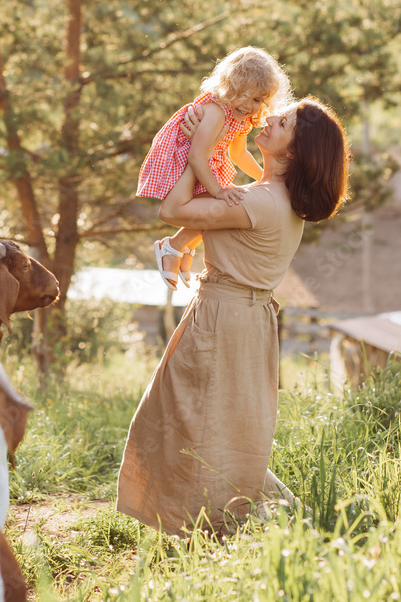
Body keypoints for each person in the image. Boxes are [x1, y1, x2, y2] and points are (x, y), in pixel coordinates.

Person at [117, 97, 351, 536]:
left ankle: (221, 529)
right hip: (247, 318)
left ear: (294, 152)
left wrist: (197, 152)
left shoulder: (258, 200)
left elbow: (171, 210)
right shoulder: (276, 199)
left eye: (281, 123)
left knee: (189, 421)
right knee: (228, 428)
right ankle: (255, 523)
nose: (268, 121)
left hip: (223, 318)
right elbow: (218, 211)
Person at [136, 46, 291, 290]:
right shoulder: (217, 112)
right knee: (221, 201)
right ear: (228, 87)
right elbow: (197, 156)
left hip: (206, 162)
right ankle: (172, 247)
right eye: (243, 94)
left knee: (221, 206)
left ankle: (183, 246)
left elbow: (239, 153)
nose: (249, 105)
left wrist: (264, 179)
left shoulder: (241, 119)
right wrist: (219, 190)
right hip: (185, 159)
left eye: (258, 100)